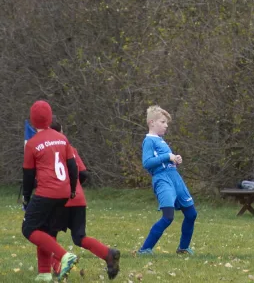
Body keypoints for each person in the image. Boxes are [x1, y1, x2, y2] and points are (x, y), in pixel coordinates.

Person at [36, 117, 120, 281]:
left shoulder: (43, 149)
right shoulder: (70, 148)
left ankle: (57, 267)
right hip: (78, 198)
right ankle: (108, 254)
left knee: (46, 234)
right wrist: (74, 188)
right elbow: (83, 174)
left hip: (57, 198)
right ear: (62, 132)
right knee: (80, 237)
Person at [22, 101, 79, 282]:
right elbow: (72, 166)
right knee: (46, 231)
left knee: (29, 228)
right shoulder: (62, 138)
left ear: (32, 120)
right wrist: (71, 190)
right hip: (63, 192)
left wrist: (26, 197)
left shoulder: (32, 144)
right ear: (49, 117)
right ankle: (44, 272)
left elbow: (28, 175)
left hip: (46, 192)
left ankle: (64, 255)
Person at [138, 105, 197, 255]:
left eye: (166, 123)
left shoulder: (161, 140)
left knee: (191, 214)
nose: (166, 125)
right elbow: (147, 163)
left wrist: (175, 159)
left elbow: (165, 159)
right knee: (168, 217)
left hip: (175, 178)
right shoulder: (149, 141)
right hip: (163, 180)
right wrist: (167, 157)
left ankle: (183, 248)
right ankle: (145, 249)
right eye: (163, 122)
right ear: (152, 122)